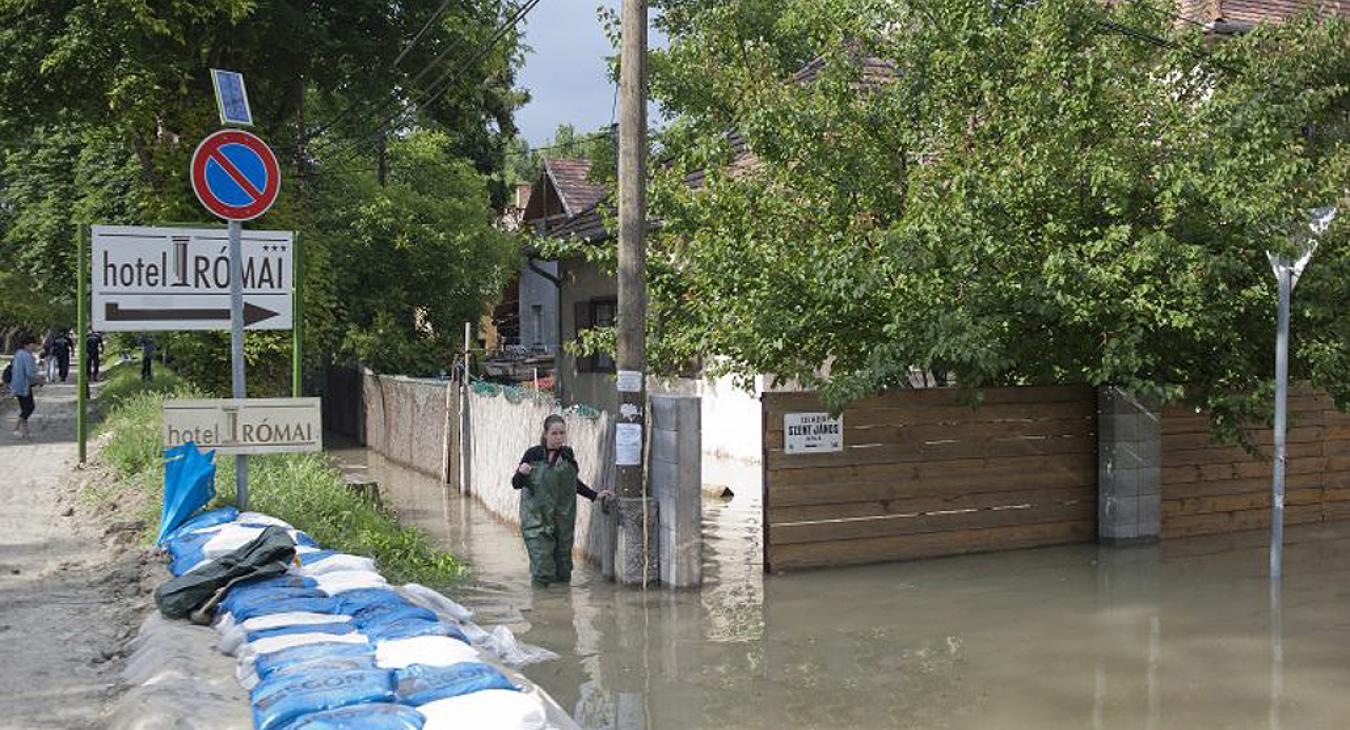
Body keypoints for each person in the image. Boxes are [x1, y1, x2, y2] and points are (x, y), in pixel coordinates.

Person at [511, 415, 615, 586]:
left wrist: (595, 495)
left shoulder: (567, 457)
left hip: (563, 520)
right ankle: (540, 607)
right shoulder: (533, 455)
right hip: (536, 521)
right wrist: (521, 472)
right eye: (554, 433)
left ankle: (563, 607)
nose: (558, 437)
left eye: (562, 433)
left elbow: (574, 483)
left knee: (563, 569)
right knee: (542, 570)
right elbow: (516, 484)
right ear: (545, 434)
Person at [10, 334, 41, 439]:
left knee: (24, 408)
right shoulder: (27, 356)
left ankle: (25, 432)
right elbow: (30, 373)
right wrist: (39, 380)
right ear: (27, 345)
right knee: (29, 408)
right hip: (24, 385)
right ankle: (16, 428)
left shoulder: (18, 353)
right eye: (33, 345)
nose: (35, 347)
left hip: (16, 384)